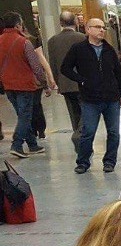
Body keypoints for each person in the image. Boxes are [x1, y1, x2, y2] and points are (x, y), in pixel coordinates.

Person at [61, 18, 121, 174]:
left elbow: (118, 73)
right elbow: (65, 68)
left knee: (113, 132)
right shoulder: (78, 49)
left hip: (111, 99)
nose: (101, 30)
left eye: (103, 27)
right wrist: (81, 80)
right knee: (88, 131)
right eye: (98, 27)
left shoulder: (109, 49)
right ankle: (83, 162)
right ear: (88, 29)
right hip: (90, 99)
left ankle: (109, 161)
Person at [0, 11, 49, 158]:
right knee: (25, 116)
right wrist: (44, 82)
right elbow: (36, 66)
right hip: (25, 85)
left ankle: (33, 145)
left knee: (22, 115)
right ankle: (17, 145)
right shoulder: (24, 42)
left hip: (8, 85)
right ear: (17, 25)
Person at [47, 10, 87, 153]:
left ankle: (80, 144)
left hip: (65, 84)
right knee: (87, 113)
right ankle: (79, 136)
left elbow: (53, 64)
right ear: (76, 22)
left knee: (74, 113)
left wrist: (57, 83)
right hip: (83, 83)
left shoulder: (52, 41)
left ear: (60, 23)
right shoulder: (83, 38)